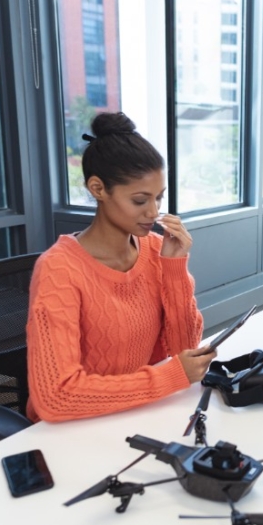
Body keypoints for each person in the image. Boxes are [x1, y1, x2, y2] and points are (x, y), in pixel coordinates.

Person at [26, 112, 215, 422]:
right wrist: (168, 377)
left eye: (158, 198)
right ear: (98, 189)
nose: (153, 212)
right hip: (72, 428)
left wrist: (174, 267)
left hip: (135, 413)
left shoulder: (156, 250)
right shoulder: (58, 270)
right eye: (140, 201)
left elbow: (183, 349)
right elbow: (56, 397)